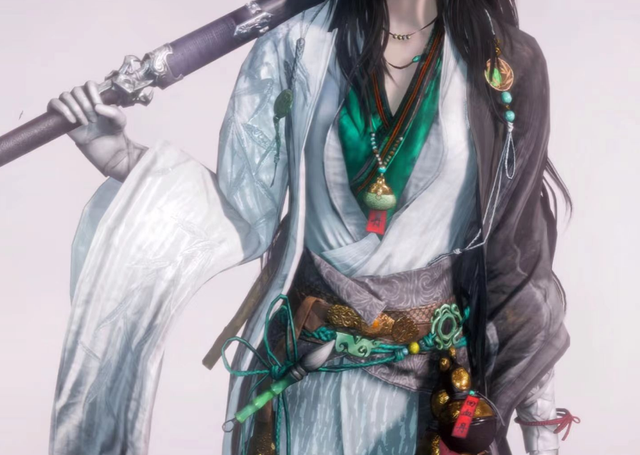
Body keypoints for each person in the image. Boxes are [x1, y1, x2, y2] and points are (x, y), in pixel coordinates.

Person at [47, 0, 574, 454]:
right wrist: (119, 155)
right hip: (304, 378)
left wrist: (538, 426)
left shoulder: (505, 61)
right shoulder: (296, 42)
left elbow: (517, 253)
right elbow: (242, 210)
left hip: (432, 390)